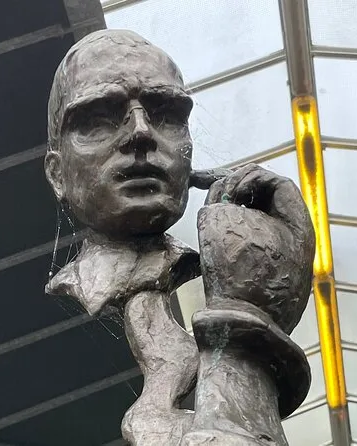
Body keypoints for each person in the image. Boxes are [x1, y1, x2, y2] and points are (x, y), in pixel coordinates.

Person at [44, 29, 314, 446]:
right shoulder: (48, 322)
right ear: (58, 174)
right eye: (99, 120)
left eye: (166, 115)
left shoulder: (224, 271)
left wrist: (260, 307)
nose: (141, 133)